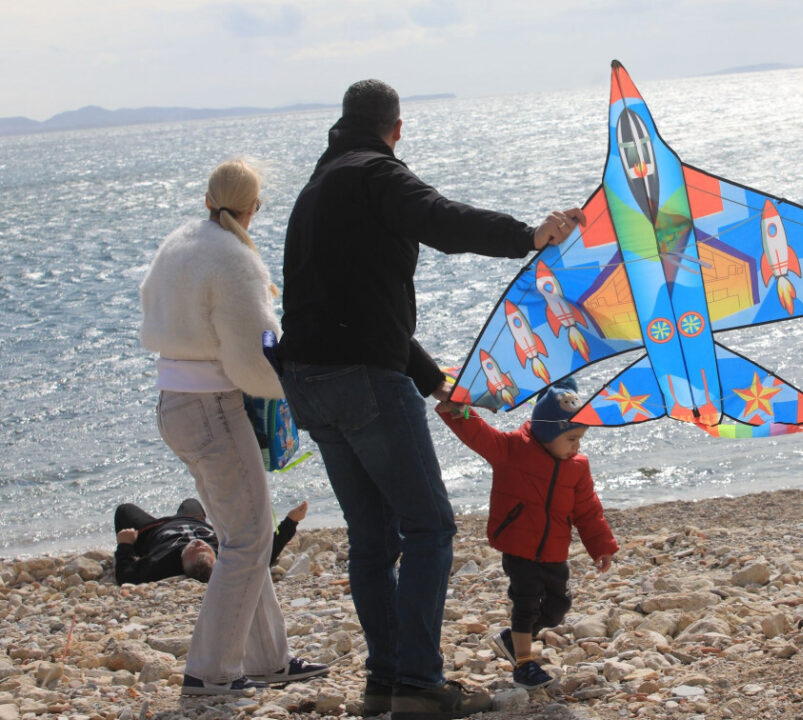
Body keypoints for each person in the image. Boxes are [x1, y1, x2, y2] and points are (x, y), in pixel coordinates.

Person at [276, 78, 584, 718]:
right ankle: (417, 681)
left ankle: (386, 683)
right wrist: (530, 236)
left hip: (307, 381)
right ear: (396, 128)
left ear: (343, 122)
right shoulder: (376, 175)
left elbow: (347, 304)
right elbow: (442, 220)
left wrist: (431, 378)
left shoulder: (315, 191)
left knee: (371, 536)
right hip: (360, 378)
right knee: (429, 525)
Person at [140, 158, 327, 696]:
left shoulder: (178, 242)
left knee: (240, 531)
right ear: (253, 209)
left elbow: (149, 310)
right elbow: (251, 360)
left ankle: (269, 658)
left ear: (206, 200)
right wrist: (292, 391)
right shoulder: (233, 257)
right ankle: (210, 670)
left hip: (173, 403)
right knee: (248, 538)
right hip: (213, 408)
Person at [436, 378, 618, 690]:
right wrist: (458, 411)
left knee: (557, 607)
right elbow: (478, 433)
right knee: (525, 605)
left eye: (580, 439)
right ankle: (523, 663)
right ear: (548, 434)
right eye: (572, 439)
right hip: (519, 547)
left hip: (554, 550)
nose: (577, 446)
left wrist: (601, 546)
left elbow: (587, 510)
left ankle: (511, 639)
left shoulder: (577, 466)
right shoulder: (511, 451)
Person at [113, 499, 308, 585]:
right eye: (205, 549)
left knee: (124, 510)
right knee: (191, 501)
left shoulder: (161, 565)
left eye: (193, 551)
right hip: (194, 520)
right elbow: (265, 553)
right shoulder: (224, 553)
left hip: (155, 529)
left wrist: (125, 544)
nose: (199, 544)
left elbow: (126, 575)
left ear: (182, 563)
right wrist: (291, 521)